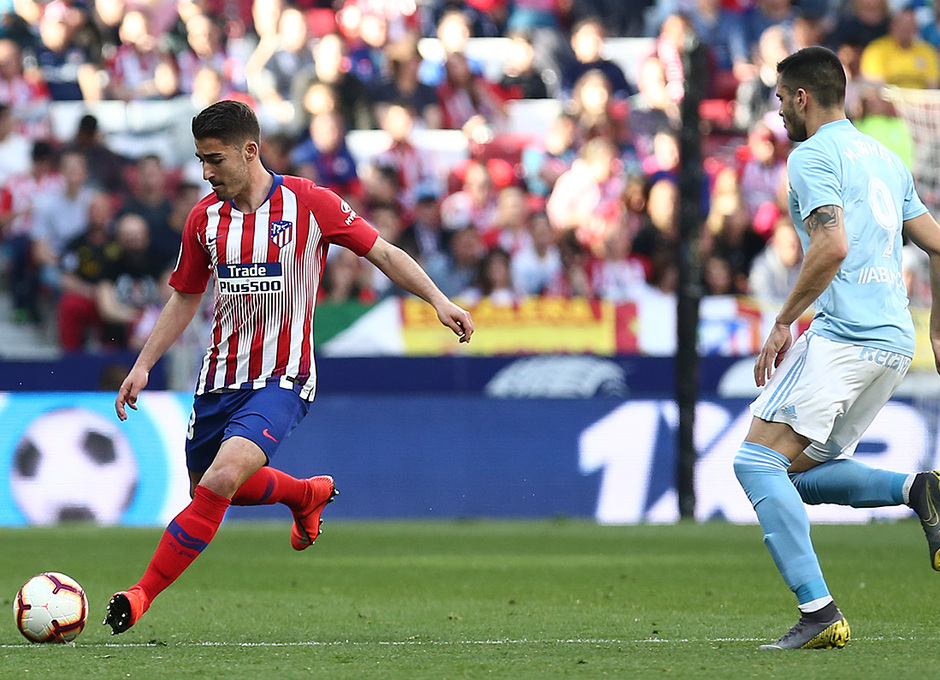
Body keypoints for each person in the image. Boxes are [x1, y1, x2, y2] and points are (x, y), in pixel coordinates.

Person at [102, 100, 473, 635]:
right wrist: (143, 365)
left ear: (249, 151)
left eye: (215, 160)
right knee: (208, 487)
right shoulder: (204, 218)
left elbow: (384, 253)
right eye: (201, 161)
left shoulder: (310, 203)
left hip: (282, 378)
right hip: (217, 378)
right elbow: (184, 297)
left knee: (224, 477)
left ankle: (140, 595)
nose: (206, 173)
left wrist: (439, 300)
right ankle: (304, 494)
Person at [733, 46, 940, 651]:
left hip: (846, 334)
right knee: (795, 473)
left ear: (801, 97)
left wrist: (781, 322)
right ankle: (916, 490)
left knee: (755, 463)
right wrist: (936, 329)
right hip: (894, 343)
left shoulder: (811, 157)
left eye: (778, 98)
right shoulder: (886, 157)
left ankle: (819, 612)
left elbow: (831, 247)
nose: (776, 111)